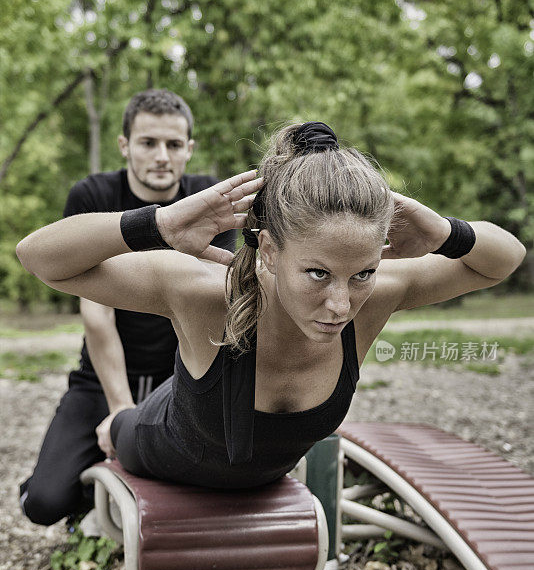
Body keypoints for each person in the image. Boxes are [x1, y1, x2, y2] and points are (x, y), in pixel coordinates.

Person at [16, 122, 526, 492]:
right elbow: (39, 258)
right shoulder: (204, 293)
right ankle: (112, 429)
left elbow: (504, 259)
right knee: (108, 440)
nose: (341, 304)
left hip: (250, 471)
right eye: (318, 273)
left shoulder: (379, 296)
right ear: (269, 250)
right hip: (156, 442)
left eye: (363, 274)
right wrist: (158, 226)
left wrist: (444, 232)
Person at [19, 89, 235, 523]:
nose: (161, 156)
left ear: (189, 150)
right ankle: (91, 499)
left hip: (177, 375)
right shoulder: (94, 196)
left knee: (204, 488)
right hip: (99, 378)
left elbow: (212, 309)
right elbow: (96, 315)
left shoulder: (209, 201)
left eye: (174, 145)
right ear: (124, 146)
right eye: (148, 143)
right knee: (43, 504)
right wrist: (120, 409)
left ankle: (122, 500)